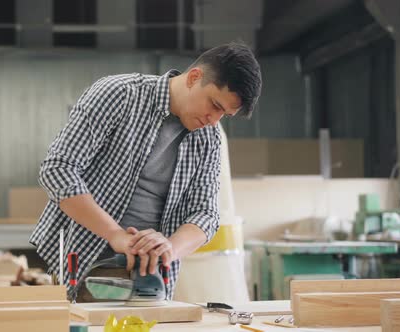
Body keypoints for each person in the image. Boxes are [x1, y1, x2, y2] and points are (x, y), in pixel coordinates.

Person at [29, 42, 262, 301]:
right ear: (195, 78)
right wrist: (115, 235)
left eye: (224, 115)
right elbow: (58, 169)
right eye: (215, 106)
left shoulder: (210, 138)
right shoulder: (118, 95)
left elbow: (205, 214)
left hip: (151, 277)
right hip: (83, 260)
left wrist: (168, 248)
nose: (214, 120)